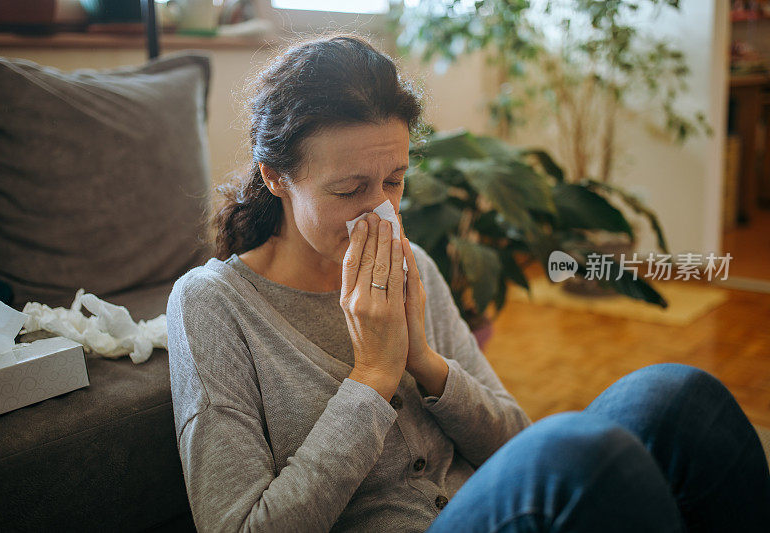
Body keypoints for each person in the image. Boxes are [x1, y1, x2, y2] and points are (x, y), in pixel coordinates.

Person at [166, 34, 770, 532]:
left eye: (395, 180)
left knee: (676, 395)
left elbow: (513, 439)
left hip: (487, 509)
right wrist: (373, 377)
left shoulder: (414, 264)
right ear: (275, 176)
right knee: (581, 456)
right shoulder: (213, 304)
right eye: (349, 190)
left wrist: (425, 362)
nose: (382, 213)